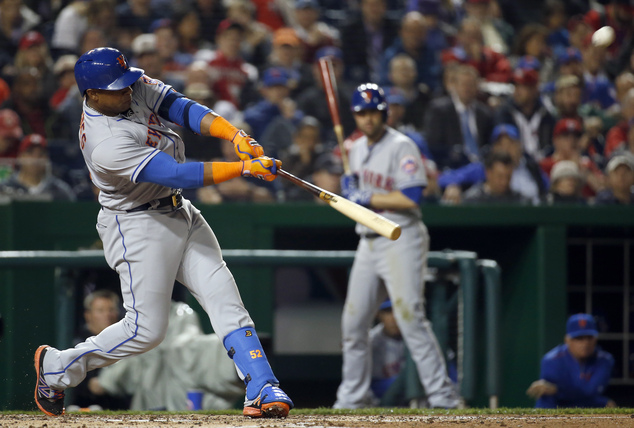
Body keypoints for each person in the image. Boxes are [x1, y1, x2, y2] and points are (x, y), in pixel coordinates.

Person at [33, 47, 293, 419]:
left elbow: (181, 107)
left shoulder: (128, 85)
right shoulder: (104, 142)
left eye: (126, 82)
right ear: (90, 94)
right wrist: (243, 168)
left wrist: (234, 135)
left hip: (177, 210)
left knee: (225, 298)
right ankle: (57, 367)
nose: (127, 91)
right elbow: (175, 173)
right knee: (146, 331)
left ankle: (262, 385)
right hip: (137, 225)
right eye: (116, 88)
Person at [335, 83, 459, 409]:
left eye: (373, 112)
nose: (368, 119)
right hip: (367, 240)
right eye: (362, 113)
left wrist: (366, 196)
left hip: (400, 236)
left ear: (384, 112)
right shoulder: (356, 149)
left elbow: (412, 195)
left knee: (410, 318)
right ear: (355, 116)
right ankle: (352, 399)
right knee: (354, 323)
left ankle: (443, 396)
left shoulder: (403, 145)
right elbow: (358, 198)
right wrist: (349, 190)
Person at [526, 313, 616, 408]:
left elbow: (589, 392)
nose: (585, 343)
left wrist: (557, 390)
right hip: (557, 410)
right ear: (567, 340)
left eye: (589, 337)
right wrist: (601, 402)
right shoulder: (551, 360)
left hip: (587, 409)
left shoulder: (604, 360)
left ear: (595, 339)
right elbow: (549, 397)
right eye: (579, 338)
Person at [69, 290, 130, 411]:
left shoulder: (126, 342)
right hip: (84, 406)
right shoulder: (79, 343)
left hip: (121, 407)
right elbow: (92, 387)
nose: (107, 315)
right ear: (88, 315)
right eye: (101, 310)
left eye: (111, 310)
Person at [0, 134, 76, 201]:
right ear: (20, 156)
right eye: (30, 153)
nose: (35, 158)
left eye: (41, 154)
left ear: (47, 158)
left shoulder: (59, 191)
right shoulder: (5, 187)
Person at [462, 151, 529, 204]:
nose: (504, 182)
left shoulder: (520, 201)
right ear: (488, 173)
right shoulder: (472, 200)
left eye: (508, 177)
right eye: (500, 176)